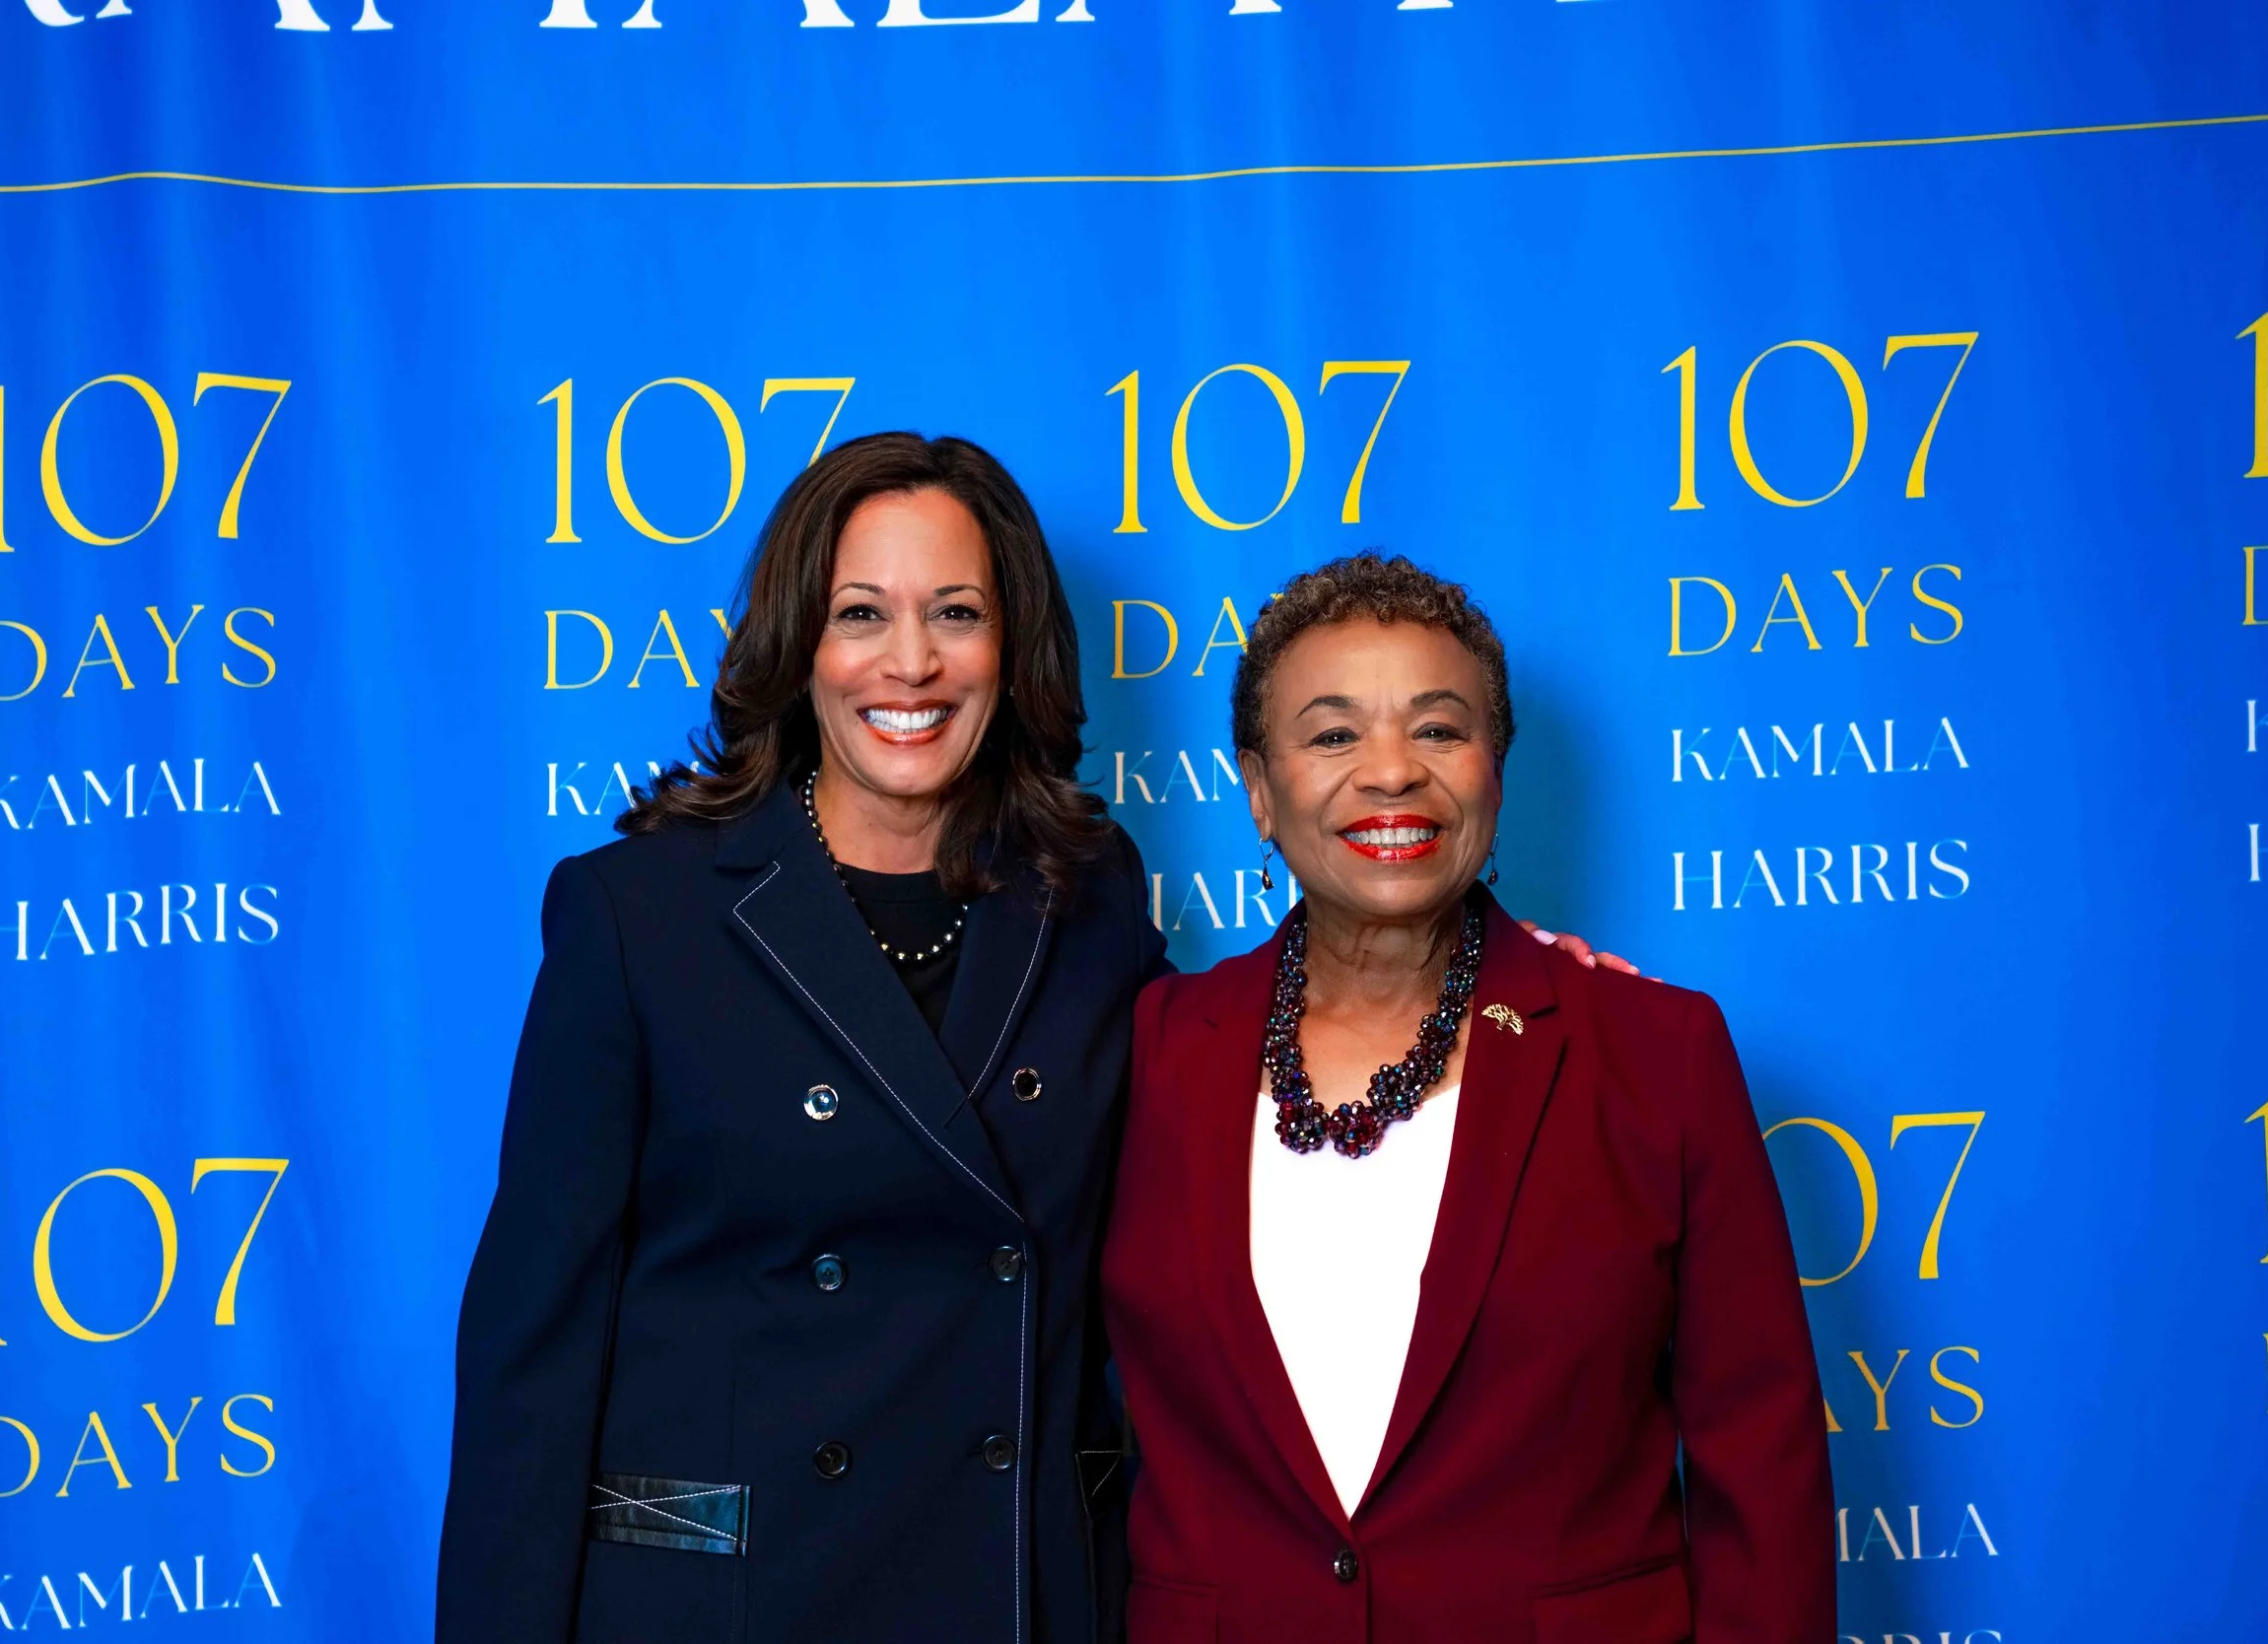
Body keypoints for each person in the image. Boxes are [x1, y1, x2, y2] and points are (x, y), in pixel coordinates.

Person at [436, 439, 1615, 1643]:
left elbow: (1237, 1065)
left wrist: (1490, 982)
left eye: (957, 612)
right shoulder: (641, 913)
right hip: (733, 1603)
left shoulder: (1085, 890)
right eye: (861, 613)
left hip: (1014, 1589)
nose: (911, 661)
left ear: (1012, 647)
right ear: (799, 645)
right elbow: (533, 1352)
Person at [1101, 554, 1834, 1644]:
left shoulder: (1653, 1053)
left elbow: (1761, 1469)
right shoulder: (1144, 1052)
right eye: (1332, 733)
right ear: (1258, 789)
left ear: (1496, 771)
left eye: (1438, 729)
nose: (1391, 773)